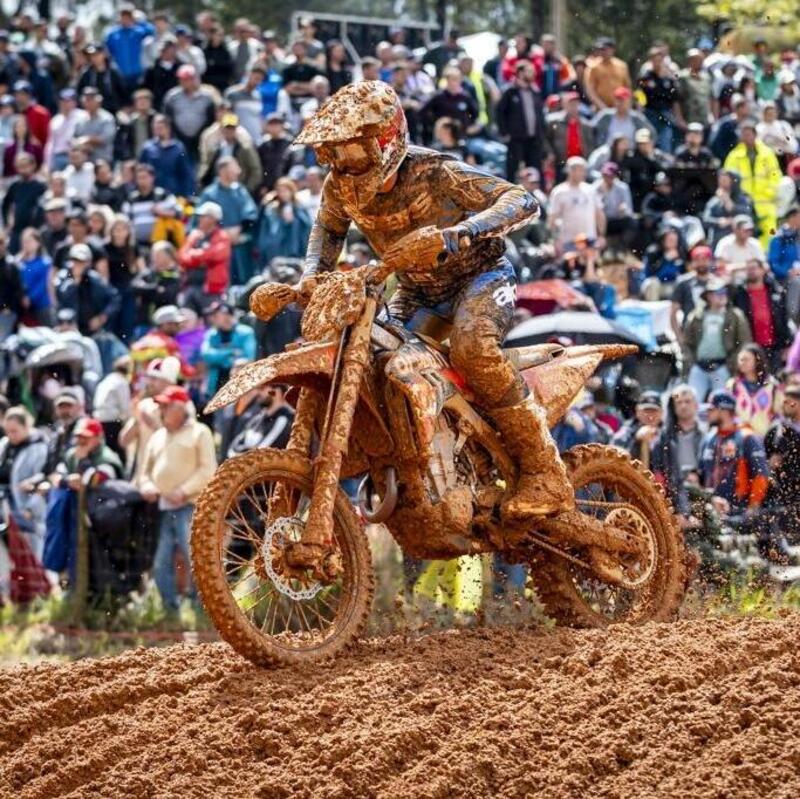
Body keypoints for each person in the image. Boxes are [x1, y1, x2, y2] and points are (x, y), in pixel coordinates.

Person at [293, 80, 573, 543]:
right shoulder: (339, 186)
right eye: (333, 153)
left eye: (352, 150)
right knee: (376, 361)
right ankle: (422, 469)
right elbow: (327, 232)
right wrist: (310, 276)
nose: (342, 163)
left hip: (480, 278)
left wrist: (461, 232)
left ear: (385, 139)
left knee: (472, 348)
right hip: (416, 292)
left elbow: (522, 200)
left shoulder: (434, 171)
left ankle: (545, 470)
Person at [139, 385, 216, 618]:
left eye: (166, 406)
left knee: (197, 559)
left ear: (181, 407)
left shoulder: (200, 432)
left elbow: (208, 470)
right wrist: (147, 486)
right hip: (163, 507)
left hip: (191, 506)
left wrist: (183, 491)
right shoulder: (157, 437)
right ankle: (170, 610)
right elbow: (144, 473)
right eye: (161, 406)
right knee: (161, 562)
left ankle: (202, 609)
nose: (161, 410)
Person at [699, 389, 769, 544]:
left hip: (738, 514)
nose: (708, 413)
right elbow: (700, 476)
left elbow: (761, 476)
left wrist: (752, 510)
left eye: (711, 409)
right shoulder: (708, 439)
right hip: (711, 514)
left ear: (723, 411)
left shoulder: (747, 437)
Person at [682, 277, 752, 401]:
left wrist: (731, 364)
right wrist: (691, 363)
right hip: (699, 366)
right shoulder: (696, 316)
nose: (722, 295)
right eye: (718, 292)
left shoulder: (735, 315)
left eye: (724, 292)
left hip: (722, 366)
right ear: (708, 296)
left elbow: (744, 342)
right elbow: (686, 342)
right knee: (692, 401)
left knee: (722, 403)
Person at [197, 155, 258, 284]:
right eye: (235, 167)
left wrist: (239, 229)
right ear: (223, 170)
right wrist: (221, 235)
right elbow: (199, 222)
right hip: (216, 251)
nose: (238, 171)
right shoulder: (209, 194)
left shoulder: (241, 191)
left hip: (240, 248)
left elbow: (251, 215)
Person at [0, 406, 48, 559]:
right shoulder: (4, 445)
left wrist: (32, 509)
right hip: (4, 508)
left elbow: (44, 480)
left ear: (26, 426)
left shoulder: (39, 448)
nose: (10, 435)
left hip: (26, 511)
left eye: (15, 431)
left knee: (29, 558)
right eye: (7, 431)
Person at [651, 384, 705, 520]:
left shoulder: (706, 434)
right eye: (679, 402)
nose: (683, 406)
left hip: (702, 491)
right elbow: (658, 470)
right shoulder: (664, 437)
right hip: (674, 495)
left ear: (696, 404)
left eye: (687, 401)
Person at [723, 121, 781, 246]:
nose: (746, 137)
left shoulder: (767, 154)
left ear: (755, 135)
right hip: (744, 203)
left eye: (748, 134)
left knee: (769, 234)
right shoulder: (734, 156)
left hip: (765, 202)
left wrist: (770, 192)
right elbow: (727, 179)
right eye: (743, 134)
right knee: (746, 234)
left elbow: (775, 175)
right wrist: (740, 195)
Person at [731, 258, 792, 372]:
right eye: (748, 269)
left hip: (774, 347)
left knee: (774, 379)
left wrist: (787, 345)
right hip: (751, 348)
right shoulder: (740, 294)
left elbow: (784, 319)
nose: (751, 271)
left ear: (763, 270)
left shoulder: (776, 292)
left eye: (754, 268)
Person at [55, 242, 120, 336]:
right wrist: (75, 281)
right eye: (75, 260)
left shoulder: (94, 279)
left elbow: (115, 298)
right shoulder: (63, 277)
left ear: (88, 263)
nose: (78, 264)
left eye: (82, 261)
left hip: (91, 331)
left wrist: (101, 317)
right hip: (67, 329)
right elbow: (61, 296)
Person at [177, 201, 231, 312]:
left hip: (211, 290)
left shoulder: (223, 237)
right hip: (190, 286)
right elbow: (182, 256)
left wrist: (194, 256)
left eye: (203, 216)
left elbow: (217, 255)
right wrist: (201, 258)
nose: (199, 219)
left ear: (213, 219)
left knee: (211, 318)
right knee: (187, 318)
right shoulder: (194, 235)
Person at [495, 61, 545, 180]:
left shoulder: (535, 91)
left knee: (534, 171)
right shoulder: (509, 91)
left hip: (533, 139)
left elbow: (540, 114)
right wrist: (504, 133)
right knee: (513, 170)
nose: (533, 74)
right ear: (520, 73)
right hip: (515, 139)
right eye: (529, 71)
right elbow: (499, 112)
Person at [200, 301, 256, 397]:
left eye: (215, 315)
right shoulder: (211, 334)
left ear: (227, 316)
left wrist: (218, 358)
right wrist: (231, 352)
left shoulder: (246, 332)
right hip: (215, 387)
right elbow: (206, 355)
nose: (212, 318)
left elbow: (249, 358)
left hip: (239, 387)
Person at [547, 156, 605, 250]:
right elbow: (552, 218)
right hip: (568, 241)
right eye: (577, 170)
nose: (581, 173)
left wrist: (601, 236)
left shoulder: (591, 190)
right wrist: (555, 240)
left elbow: (599, 214)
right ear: (569, 171)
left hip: (589, 240)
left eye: (583, 170)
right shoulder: (559, 191)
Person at [163, 64, 216, 162]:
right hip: (178, 138)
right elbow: (168, 118)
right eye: (182, 79)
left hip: (201, 138)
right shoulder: (172, 97)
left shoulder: (207, 97)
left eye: (189, 79)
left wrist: (202, 133)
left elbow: (211, 118)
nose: (186, 82)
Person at [637, 45, 684, 153]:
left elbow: (675, 101)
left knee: (665, 141)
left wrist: (679, 118)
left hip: (665, 115)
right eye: (655, 60)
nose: (657, 63)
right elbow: (640, 95)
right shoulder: (646, 77)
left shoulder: (669, 79)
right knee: (650, 140)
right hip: (650, 114)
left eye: (659, 60)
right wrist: (640, 112)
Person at [200, 113, 261, 194]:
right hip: (217, 190)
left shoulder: (245, 149)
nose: (229, 131)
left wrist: (246, 189)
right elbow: (206, 168)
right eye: (227, 128)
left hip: (237, 190)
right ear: (222, 129)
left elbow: (256, 171)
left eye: (232, 128)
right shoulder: (215, 149)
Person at [255, 176, 311, 265]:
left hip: (296, 249)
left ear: (291, 191)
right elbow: (268, 230)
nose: (283, 194)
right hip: (277, 250)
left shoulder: (299, 207)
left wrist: (294, 220)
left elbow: (307, 226)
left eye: (285, 191)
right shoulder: (272, 209)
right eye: (280, 191)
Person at [138, 114, 195, 198]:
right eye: (156, 128)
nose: (158, 131)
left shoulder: (178, 148)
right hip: (153, 194)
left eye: (161, 128)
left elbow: (186, 173)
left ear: (168, 128)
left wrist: (187, 194)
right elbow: (141, 171)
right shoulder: (147, 148)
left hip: (174, 192)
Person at [104, 4, 154, 96]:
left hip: (138, 75)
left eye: (128, 16)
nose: (126, 19)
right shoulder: (113, 34)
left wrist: (139, 21)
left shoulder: (138, 32)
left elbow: (152, 30)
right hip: (120, 75)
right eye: (123, 16)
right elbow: (107, 51)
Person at [2, 152, 45, 252]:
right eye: (20, 166)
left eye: (26, 166)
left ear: (33, 165)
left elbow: (42, 207)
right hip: (17, 230)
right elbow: (5, 204)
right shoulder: (14, 186)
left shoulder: (40, 186)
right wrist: (7, 223)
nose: (23, 170)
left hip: (34, 230)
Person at [703, 169, 755, 249]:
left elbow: (747, 215)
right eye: (720, 180)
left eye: (725, 180)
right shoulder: (714, 201)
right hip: (718, 241)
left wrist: (728, 202)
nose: (722, 183)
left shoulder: (743, 199)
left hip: (740, 242)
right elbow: (705, 219)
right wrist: (719, 221)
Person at [93, 354, 131, 461]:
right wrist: (128, 421)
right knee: (118, 452)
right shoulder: (121, 382)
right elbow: (125, 406)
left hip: (99, 419)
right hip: (112, 421)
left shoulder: (106, 380)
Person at [546, 91, 593, 176]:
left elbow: (590, 144)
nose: (573, 107)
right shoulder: (554, 121)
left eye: (575, 104)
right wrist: (550, 153)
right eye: (571, 104)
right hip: (560, 163)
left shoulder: (586, 125)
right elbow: (546, 138)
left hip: (579, 163)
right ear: (564, 105)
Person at [611, 390, 663, 463]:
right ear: (637, 411)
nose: (650, 416)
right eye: (646, 411)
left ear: (661, 413)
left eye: (654, 411)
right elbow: (615, 461)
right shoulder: (624, 435)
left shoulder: (668, 434)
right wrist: (636, 441)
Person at [76, 43, 127, 116]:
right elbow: (79, 93)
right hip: (91, 112)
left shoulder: (113, 72)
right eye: (92, 55)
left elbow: (123, 93)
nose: (94, 58)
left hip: (113, 111)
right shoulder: (86, 74)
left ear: (104, 54)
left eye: (97, 54)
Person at [16, 226, 53, 325]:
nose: (26, 244)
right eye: (24, 241)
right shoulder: (18, 263)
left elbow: (44, 284)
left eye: (29, 241)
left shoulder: (45, 262)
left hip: (41, 306)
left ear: (38, 243)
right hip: (22, 306)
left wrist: (30, 298)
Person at [585, 37, 631, 109]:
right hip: (600, 109)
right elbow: (591, 91)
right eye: (600, 49)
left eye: (604, 49)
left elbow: (627, 87)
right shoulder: (593, 67)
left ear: (612, 49)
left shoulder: (621, 65)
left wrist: (626, 104)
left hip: (620, 108)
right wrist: (602, 107)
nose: (602, 52)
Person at [73, 86, 116, 163]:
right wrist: (82, 145)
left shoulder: (107, 118)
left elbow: (104, 139)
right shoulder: (80, 119)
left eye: (92, 99)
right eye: (87, 100)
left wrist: (87, 140)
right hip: (84, 162)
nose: (89, 103)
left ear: (98, 101)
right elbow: (74, 138)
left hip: (102, 161)